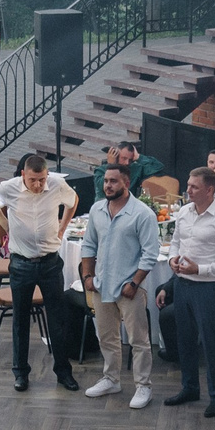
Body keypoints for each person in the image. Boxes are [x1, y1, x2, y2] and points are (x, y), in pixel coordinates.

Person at [0, 153, 80, 393]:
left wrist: (63, 226)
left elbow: (73, 200)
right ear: (23, 176)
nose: (38, 185)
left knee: (57, 319)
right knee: (20, 319)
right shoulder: (9, 188)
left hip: (50, 263)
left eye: (42, 179)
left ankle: (63, 372)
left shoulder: (57, 185)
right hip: (21, 264)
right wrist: (5, 224)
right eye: (33, 180)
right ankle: (20, 373)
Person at [80, 161, 162, 410]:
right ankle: (111, 379)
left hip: (129, 288)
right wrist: (87, 277)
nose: (108, 185)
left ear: (127, 182)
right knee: (107, 336)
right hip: (102, 285)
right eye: (106, 181)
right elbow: (88, 245)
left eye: (113, 181)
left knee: (139, 340)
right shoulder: (96, 210)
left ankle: (143, 385)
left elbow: (150, 254)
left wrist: (135, 283)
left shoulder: (142, 214)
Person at [163, 166, 215, 416]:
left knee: (211, 344)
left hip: (208, 289)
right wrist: (172, 259)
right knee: (185, 340)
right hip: (182, 285)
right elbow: (175, 240)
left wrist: (200, 269)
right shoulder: (185, 212)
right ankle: (190, 388)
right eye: (188, 185)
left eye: (193, 186)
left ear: (210, 190)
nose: (187, 190)